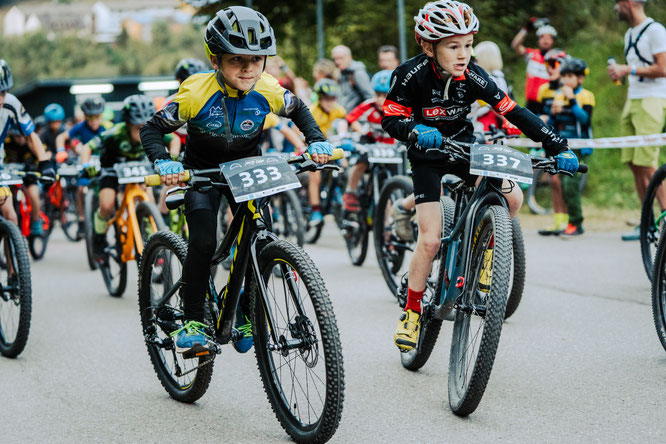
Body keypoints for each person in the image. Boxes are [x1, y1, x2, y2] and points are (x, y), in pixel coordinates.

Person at [384, 1, 578, 351]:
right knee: (429, 240)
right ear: (428, 46)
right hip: (427, 155)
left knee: (513, 197)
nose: (463, 54)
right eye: (453, 46)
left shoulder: (473, 75)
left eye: (469, 45)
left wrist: (557, 145)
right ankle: (412, 311)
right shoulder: (409, 74)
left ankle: (487, 248)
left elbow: (514, 111)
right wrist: (414, 130)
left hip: (463, 150)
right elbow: (390, 118)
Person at [140, 6, 332, 357]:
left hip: (247, 171)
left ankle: (243, 307)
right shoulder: (195, 91)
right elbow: (152, 128)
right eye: (236, 60)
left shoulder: (268, 88)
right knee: (201, 240)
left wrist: (316, 140)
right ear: (215, 60)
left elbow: (300, 110)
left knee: (260, 241)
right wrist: (164, 162)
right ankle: (194, 319)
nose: (248, 70)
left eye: (256, 61)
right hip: (202, 173)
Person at [80, 95, 176, 260]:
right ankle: (99, 238)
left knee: (149, 201)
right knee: (107, 205)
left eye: (145, 126)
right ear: (128, 124)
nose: (142, 131)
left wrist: (172, 159)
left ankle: (150, 236)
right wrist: (86, 165)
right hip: (111, 170)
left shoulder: (153, 130)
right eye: (137, 127)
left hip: (139, 170)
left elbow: (174, 139)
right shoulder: (114, 133)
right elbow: (86, 148)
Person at [608, 0, 666, 241]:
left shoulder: (655, 30)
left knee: (648, 162)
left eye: (618, 3)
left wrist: (627, 70)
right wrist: (620, 73)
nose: (615, 7)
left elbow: (663, 68)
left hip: (652, 100)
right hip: (633, 100)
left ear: (629, 3)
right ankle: (647, 222)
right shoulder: (629, 33)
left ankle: (665, 216)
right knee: (634, 163)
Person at [0, 60, 52, 230]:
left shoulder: (11, 103)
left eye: (4, 92)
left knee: (10, 216)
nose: (1, 99)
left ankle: (11, 255)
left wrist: (44, 163)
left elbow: (30, 136)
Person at [547, 57, 594, 236]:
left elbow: (585, 119)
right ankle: (568, 222)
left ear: (580, 78)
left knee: (570, 185)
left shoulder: (586, 95)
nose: (566, 80)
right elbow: (553, 123)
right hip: (564, 146)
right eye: (564, 76)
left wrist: (572, 100)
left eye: (570, 76)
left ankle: (577, 223)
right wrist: (552, 114)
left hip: (580, 147)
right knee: (562, 184)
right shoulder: (558, 95)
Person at [342, 70, 395, 214]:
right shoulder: (369, 105)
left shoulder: (400, 109)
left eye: (385, 96)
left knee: (390, 186)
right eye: (377, 95)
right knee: (361, 162)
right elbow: (348, 120)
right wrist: (351, 133)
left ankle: (387, 226)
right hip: (370, 140)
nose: (380, 100)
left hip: (390, 147)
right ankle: (350, 192)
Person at [535, 48, 571, 236]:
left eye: (554, 64)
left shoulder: (569, 88)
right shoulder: (544, 89)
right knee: (553, 180)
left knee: (562, 181)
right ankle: (559, 221)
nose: (549, 68)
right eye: (547, 64)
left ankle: (569, 221)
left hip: (567, 138)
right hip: (550, 139)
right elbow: (542, 114)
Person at [511, 19, 557, 114]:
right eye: (542, 37)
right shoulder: (532, 54)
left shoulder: (557, 57)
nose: (545, 40)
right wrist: (526, 29)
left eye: (549, 38)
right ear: (538, 40)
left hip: (548, 102)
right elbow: (515, 45)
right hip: (531, 102)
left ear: (553, 41)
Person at [331, 45, 375, 112]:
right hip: (344, 119)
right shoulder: (340, 73)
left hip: (358, 120)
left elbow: (370, 98)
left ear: (350, 57)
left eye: (341, 58)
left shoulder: (358, 73)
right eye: (335, 59)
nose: (337, 62)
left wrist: (360, 118)